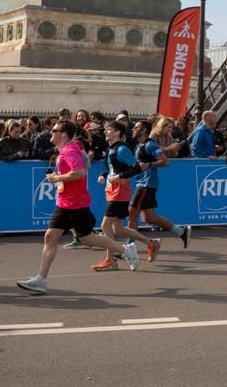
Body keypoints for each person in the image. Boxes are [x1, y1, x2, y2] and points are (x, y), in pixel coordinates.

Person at [17, 120, 138, 295]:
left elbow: (81, 172)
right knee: (50, 237)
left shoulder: (69, 150)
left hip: (75, 203)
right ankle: (41, 280)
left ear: (63, 134)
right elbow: (87, 164)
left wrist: (58, 178)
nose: (51, 132)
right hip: (64, 202)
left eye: (55, 130)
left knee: (87, 239)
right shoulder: (70, 149)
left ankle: (126, 250)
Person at [93, 120, 160, 270]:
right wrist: (104, 175)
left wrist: (119, 177)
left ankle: (111, 260)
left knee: (105, 225)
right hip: (112, 190)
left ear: (117, 132)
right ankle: (151, 243)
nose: (105, 132)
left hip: (120, 191)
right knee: (118, 229)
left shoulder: (122, 149)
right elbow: (114, 169)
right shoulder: (111, 149)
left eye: (108, 129)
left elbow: (137, 168)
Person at [128, 119, 191, 248]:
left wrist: (150, 164)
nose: (133, 129)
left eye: (136, 127)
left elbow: (165, 162)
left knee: (131, 215)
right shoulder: (138, 145)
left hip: (146, 184)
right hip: (143, 183)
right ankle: (181, 231)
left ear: (144, 130)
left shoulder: (151, 145)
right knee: (150, 218)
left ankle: (130, 248)